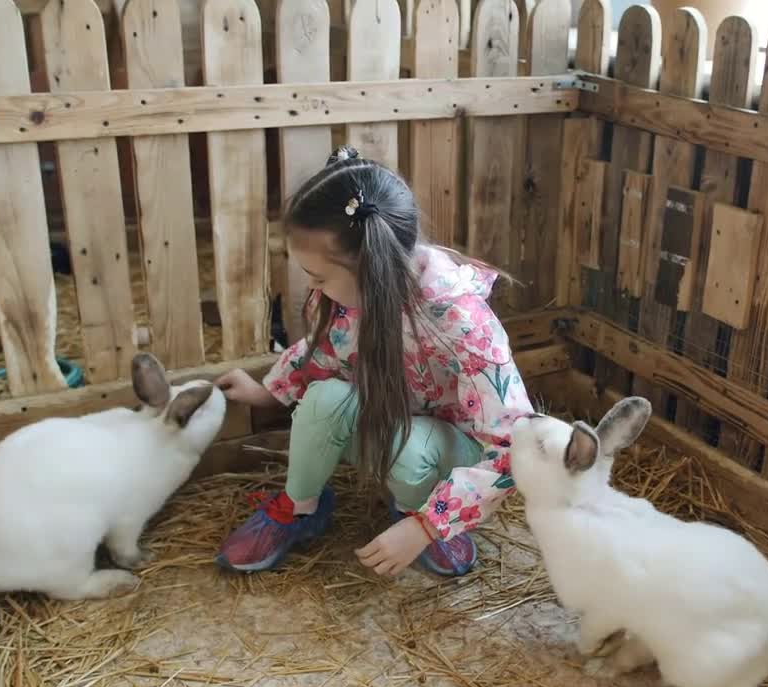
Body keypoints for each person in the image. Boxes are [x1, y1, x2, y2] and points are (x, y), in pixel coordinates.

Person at [213, 145, 534, 578]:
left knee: (409, 454)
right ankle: (302, 507)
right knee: (325, 399)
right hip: (389, 424)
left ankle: (416, 512)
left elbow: (513, 447)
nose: (315, 288)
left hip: (445, 453)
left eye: (320, 277)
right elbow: (324, 349)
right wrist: (268, 392)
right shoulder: (350, 298)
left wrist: (427, 526)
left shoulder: (462, 322)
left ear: (370, 266)